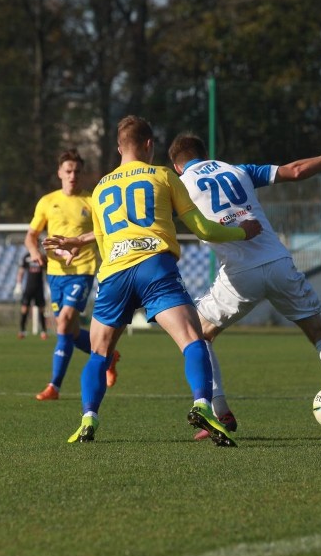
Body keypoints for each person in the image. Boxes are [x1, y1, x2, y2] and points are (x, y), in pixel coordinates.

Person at [45, 115, 262, 446]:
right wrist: (240, 231)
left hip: (115, 272)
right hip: (154, 266)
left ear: (119, 148)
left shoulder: (101, 187)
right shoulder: (162, 176)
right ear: (149, 145)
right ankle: (202, 405)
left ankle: (89, 416)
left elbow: (103, 243)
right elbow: (202, 229)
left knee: (99, 351)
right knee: (192, 340)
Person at [167, 132, 321, 441]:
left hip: (239, 274)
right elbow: (297, 170)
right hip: (278, 263)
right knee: (318, 332)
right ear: (206, 154)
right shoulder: (237, 170)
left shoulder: (178, 185)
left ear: (178, 166)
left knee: (199, 337)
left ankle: (221, 413)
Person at [25, 149, 120, 401]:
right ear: (59, 173)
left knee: (65, 321)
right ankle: (108, 355)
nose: (72, 176)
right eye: (68, 171)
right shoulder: (47, 201)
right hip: (55, 273)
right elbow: (31, 236)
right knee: (70, 331)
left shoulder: (91, 201)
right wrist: (35, 252)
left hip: (83, 269)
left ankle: (54, 386)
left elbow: (105, 231)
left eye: (77, 171)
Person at [14, 251, 48, 340]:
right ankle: (22, 330)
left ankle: (43, 331)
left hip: (39, 288)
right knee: (24, 309)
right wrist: (18, 284)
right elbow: (21, 271)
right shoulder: (26, 257)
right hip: (28, 288)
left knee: (41, 310)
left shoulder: (41, 256)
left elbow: (47, 271)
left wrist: (49, 285)